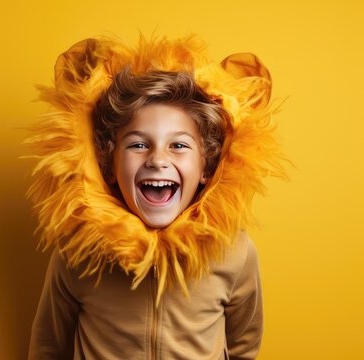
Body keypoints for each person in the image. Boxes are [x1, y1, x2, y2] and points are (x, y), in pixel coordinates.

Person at [25, 35, 287, 360]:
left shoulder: (233, 252)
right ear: (109, 166)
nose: (157, 159)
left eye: (178, 145)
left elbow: (243, 344)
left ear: (206, 166)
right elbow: (49, 345)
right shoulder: (78, 253)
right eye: (138, 144)